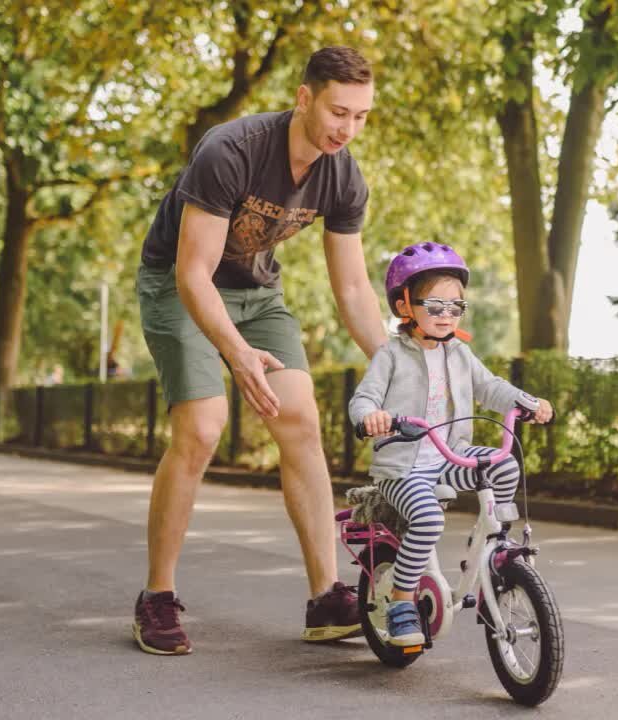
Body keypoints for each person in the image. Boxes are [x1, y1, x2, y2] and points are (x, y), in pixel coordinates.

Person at [132, 46, 387, 656]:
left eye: (360, 117)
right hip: (179, 285)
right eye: (337, 112)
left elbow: (352, 289)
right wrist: (237, 354)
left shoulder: (343, 176)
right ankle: (157, 598)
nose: (346, 129)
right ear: (304, 98)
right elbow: (194, 274)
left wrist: (395, 358)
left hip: (256, 295)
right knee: (201, 427)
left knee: (300, 419)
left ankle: (327, 597)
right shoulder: (232, 149)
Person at [349, 242, 553, 646]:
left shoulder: (460, 353)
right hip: (404, 465)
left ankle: (493, 542)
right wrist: (371, 417)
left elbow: (490, 388)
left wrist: (525, 402)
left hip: (448, 456)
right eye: (435, 305)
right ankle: (403, 601)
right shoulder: (391, 355)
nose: (446, 315)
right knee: (426, 520)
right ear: (405, 306)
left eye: (455, 306)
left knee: (503, 463)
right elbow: (363, 399)